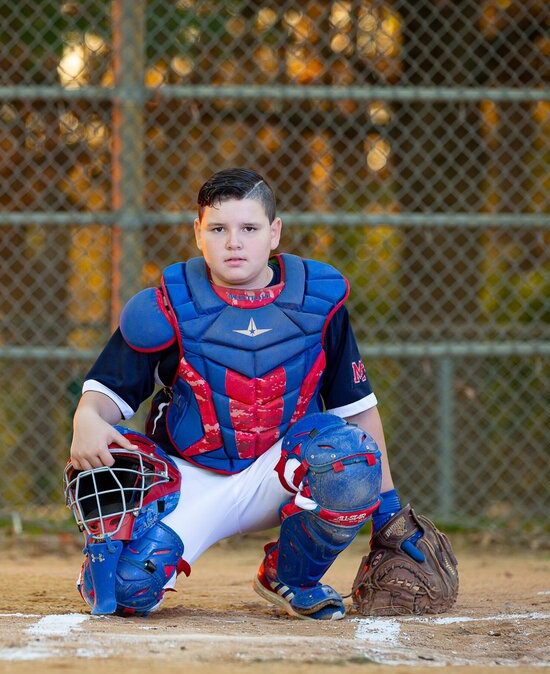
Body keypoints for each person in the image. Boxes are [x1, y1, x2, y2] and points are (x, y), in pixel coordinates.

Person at [66, 167, 447, 620]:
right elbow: (105, 395)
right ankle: (125, 568)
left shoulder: (317, 303)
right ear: (197, 233)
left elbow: (359, 411)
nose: (234, 242)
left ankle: (290, 576)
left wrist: (387, 513)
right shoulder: (168, 305)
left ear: (274, 232)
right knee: (127, 591)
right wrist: (86, 417)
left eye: (249, 228)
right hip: (189, 478)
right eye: (218, 229)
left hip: (281, 471)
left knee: (349, 457)